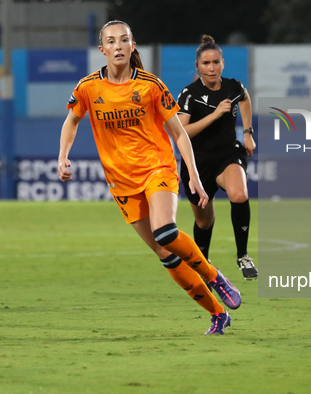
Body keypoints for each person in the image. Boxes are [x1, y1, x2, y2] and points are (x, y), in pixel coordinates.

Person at [57, 20, 241, 335]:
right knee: (166, 255)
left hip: (157, 168)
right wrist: (63, 156)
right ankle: (217, 314)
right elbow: (71, 121)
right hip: (121, 182)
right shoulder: (88, 87)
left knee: (165, 232)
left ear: (133, 46)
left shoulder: (151, 85)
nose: (118, 46)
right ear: (102, 50)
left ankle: (214, 277)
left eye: (124, 40)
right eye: (111, 41)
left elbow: (180, 134)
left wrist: (193, 176)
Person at [176, 35, 258, 280]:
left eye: (215, 62)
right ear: (198, 66)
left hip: (227, 154)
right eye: (205, 63)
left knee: (240, 194)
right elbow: (182, 133)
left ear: (223, 63)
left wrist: (248, 133)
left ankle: (243, 256)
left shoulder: (233, 87)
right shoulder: (189, 94)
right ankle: (203, 265)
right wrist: (214, 115)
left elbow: (244, 99)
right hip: (197, 162)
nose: (211, 67)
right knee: (204, 222)